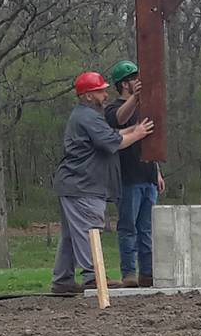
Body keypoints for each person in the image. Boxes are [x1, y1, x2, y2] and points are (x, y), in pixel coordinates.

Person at [52, 71, 152, 297]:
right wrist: (138, 134)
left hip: (74, 184)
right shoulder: (88, 116)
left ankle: (63, 280)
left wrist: (132, 130)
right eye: (100, 91)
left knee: (70, 235)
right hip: (83, 184)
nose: (105, 94)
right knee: (89, 229)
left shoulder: (86, 115)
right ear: (88, 96)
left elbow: (111, 133)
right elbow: (112, 142)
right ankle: (92, 276)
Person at [104, 59, 165, 288]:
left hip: (147, 176)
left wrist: (157, 171)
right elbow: (118, 120)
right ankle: (129, 273)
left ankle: (147, 272)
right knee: (128, 228)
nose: (138, 82)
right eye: (133, 79)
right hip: (128, 178)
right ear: (124, 84)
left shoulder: (143, 107)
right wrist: (135, 98)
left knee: (146, 229)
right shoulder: (112, 109)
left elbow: (150, 140)